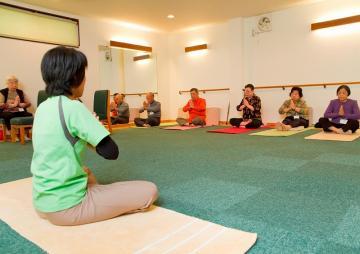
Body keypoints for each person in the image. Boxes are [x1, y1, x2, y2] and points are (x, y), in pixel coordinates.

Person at [31, 46, 158, 226]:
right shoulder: (73, 106)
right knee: (149, 190)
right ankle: (99, 202)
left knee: (85, 171)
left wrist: (86, 132)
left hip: (42, 202)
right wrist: (95, 127)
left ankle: (100, 199)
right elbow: (111, 152)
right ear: (75, 77)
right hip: (67, 208)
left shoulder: (43, 107)